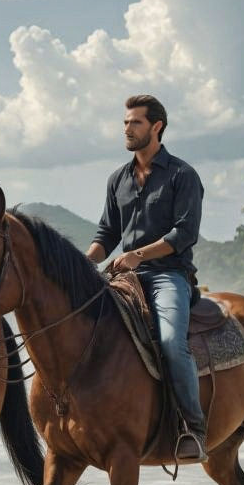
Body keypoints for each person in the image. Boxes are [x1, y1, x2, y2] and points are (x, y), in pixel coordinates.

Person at [85, 95, 207, 463]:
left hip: (168, 276)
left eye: (135, 122)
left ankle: (191, 427)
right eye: (125, 122)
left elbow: (184, 233)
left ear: (156, 127)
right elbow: (107, 234)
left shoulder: (182, 176)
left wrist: (137, 254)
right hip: (124, 278)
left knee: (171, 341)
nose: (127, 128)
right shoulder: (117, 179)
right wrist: (82, 263)